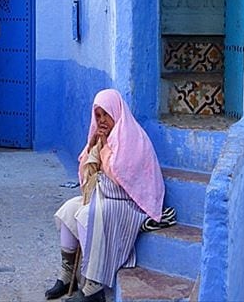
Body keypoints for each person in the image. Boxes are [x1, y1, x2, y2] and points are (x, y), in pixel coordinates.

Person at [45, 89, 165, 302]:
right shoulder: (101, 138)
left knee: (90, 215)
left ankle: (93, 284)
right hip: (105, 196)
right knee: (69, 210)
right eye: (98, 115)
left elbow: (120, 176)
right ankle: (66, 274)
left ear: (116, 113)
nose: (101, 121)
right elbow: (85, 174)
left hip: (129, 202)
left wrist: (104, 149)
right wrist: (93, 147)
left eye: (105, 115)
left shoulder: (132, 137)